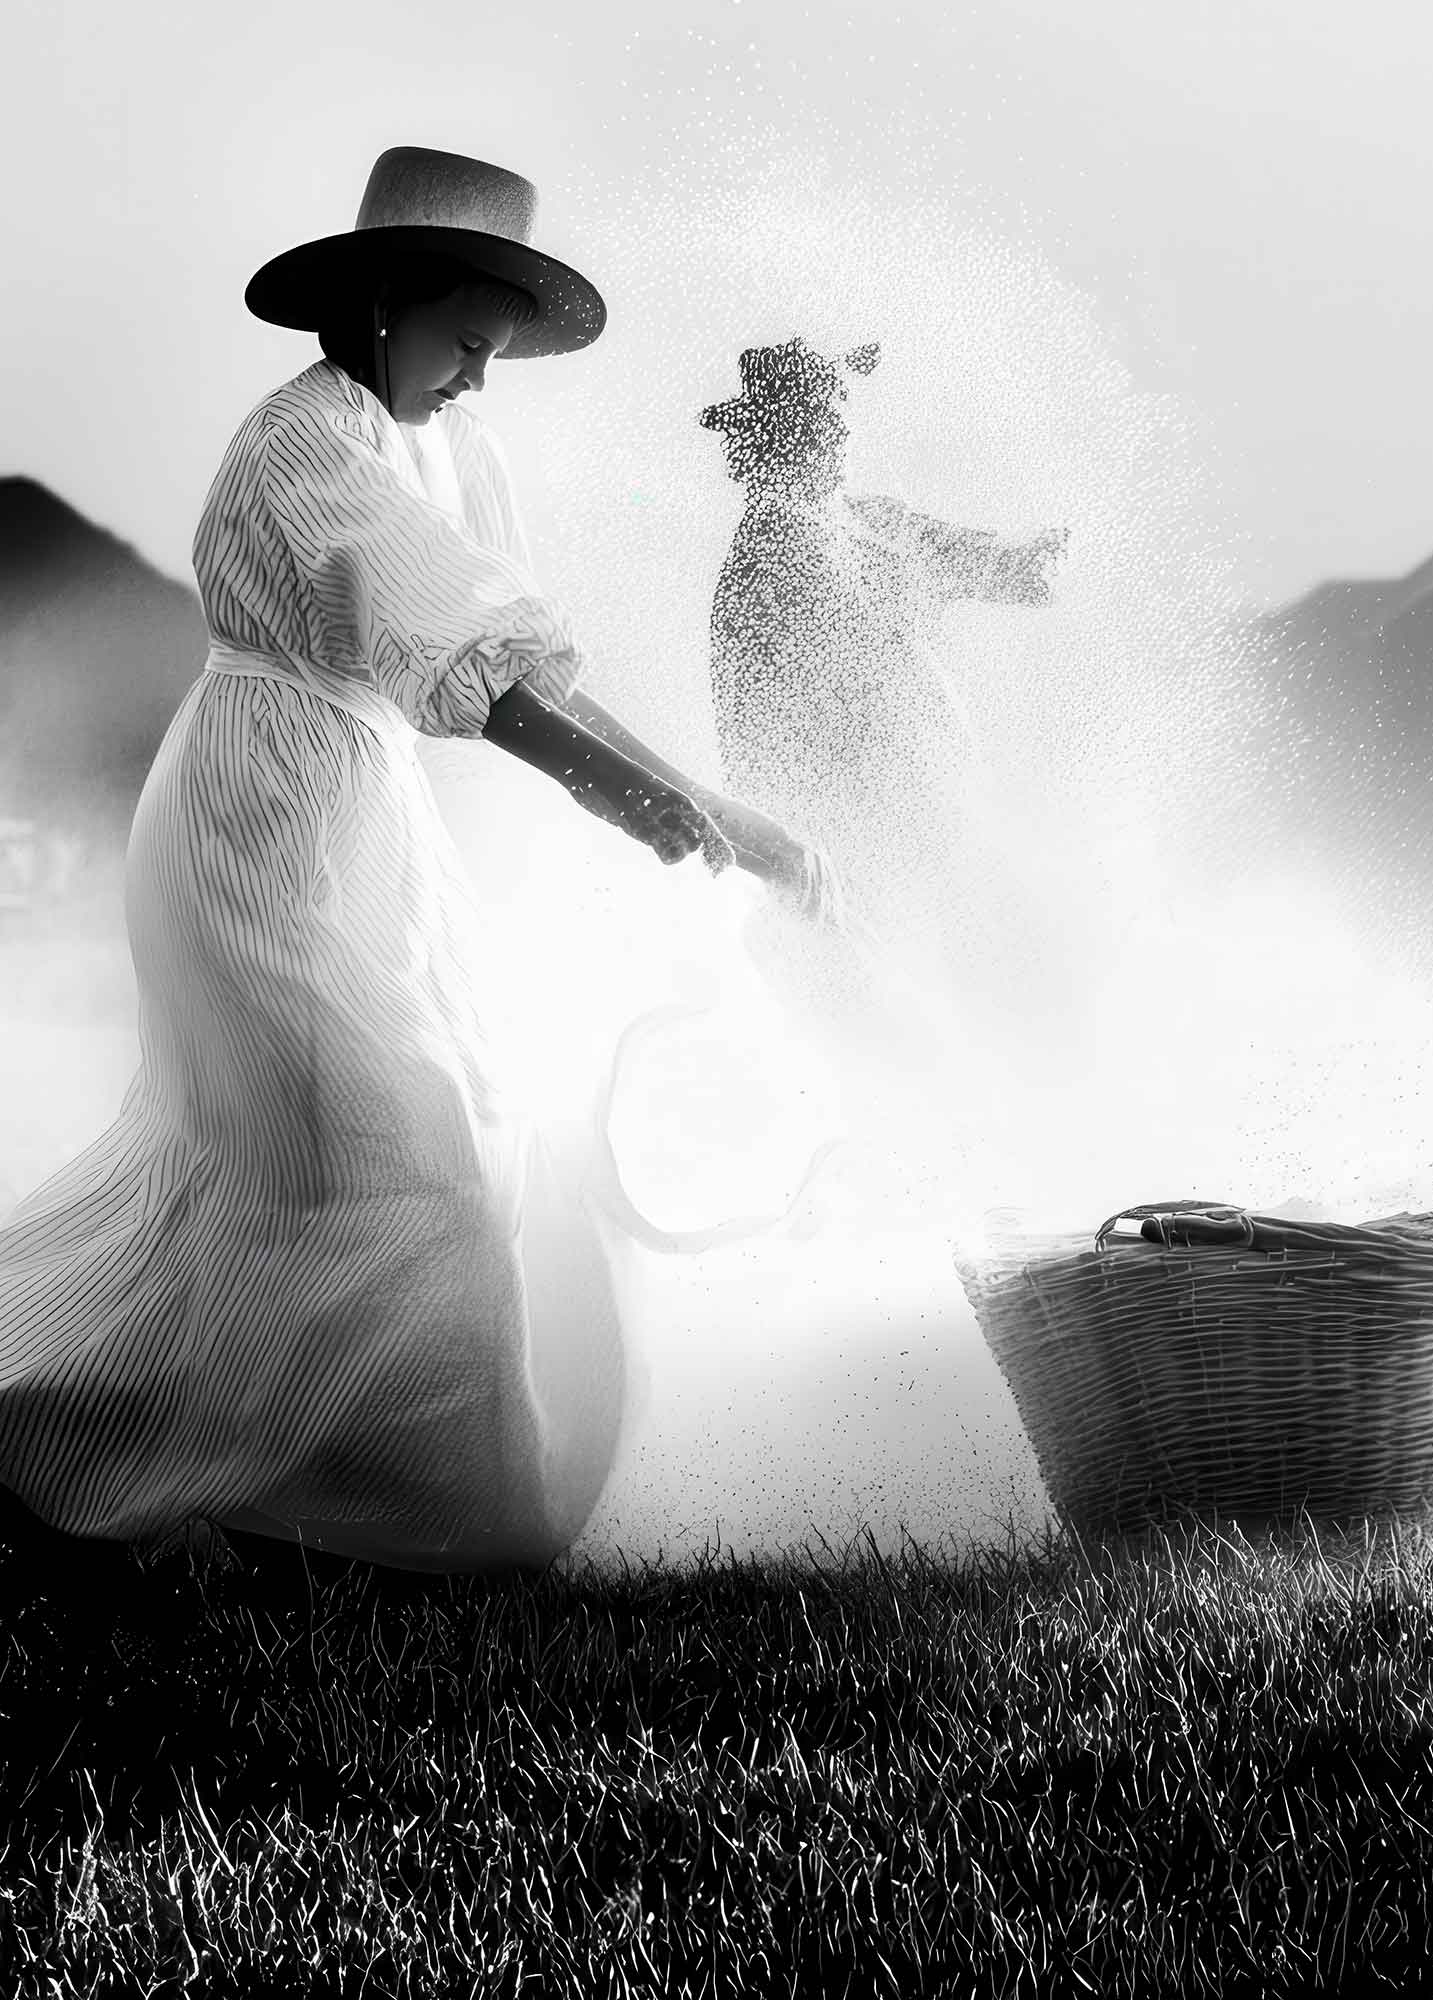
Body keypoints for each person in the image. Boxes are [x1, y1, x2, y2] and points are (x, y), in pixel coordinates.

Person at [0, 147, 830, 1576]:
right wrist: (639, 806)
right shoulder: (304, 445)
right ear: (388, 303)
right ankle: (324, 1514)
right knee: (390, 1155)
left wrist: (711, 805)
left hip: (360, 816)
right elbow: (476, 680)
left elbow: (525, 662)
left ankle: (280, 1493)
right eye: (465, 344)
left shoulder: (454, 448)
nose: (479, 378)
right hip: (258, 820)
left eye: (495, 353)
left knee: (393, 1152)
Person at [702, 337, 1067, 947]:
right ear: (776, 435)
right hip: (864, 852)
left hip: (949, 815)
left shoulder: (872, 521)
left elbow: (1023, 577)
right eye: (823, 412)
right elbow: (750, 750)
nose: (843, 429)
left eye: (840, 408)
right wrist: (798, 869)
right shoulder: (760, 568)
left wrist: (1055, 546)